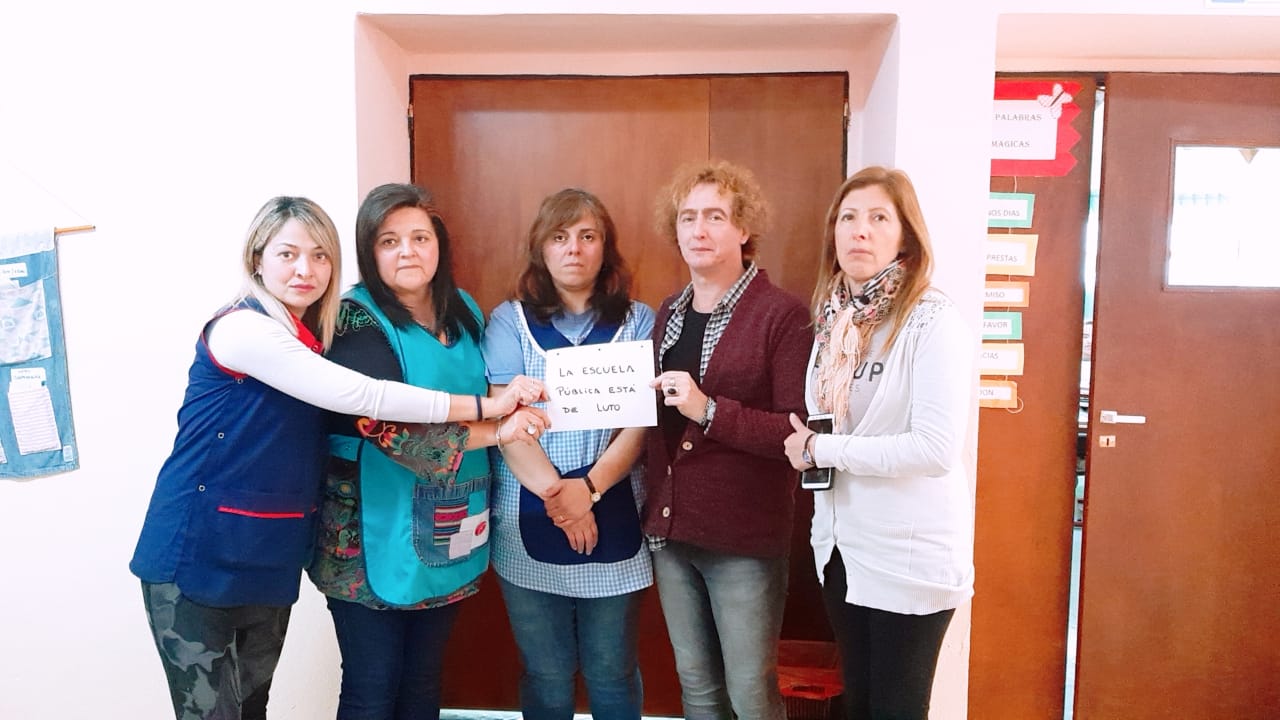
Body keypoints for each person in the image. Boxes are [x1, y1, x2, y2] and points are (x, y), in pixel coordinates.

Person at [129, 195, 547, 720]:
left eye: (320, 255)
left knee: (258, 705)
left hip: (273, 545)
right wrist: (492, 414)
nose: (305, 270)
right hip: (204, 546)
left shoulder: (320, 329)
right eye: (288, 254)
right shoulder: (247, 329)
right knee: (226, 711)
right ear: (257, 258)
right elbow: (367, 401)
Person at [306, 183, 550, 720]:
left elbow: (488, 390)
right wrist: (500, 427)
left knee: (423, 682)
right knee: (372, 688)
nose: (407, 252)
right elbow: (390, 432)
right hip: (370, 534)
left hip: (454, 522)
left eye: (420, 237)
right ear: (369, 251)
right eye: (389, 241)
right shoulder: (352, 320)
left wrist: (516, 410)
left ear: (439, 244)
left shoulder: (463, 310)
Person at [782, 166, 975, 720]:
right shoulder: (834, 322)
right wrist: (813, 450)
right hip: (841, 549)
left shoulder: (931, 321)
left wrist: (821, 452)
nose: (859, 230)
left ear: (905, 236)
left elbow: (934, 449)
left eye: (878, 218)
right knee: (859, 704)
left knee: (896, 709)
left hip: (907, 557)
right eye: (847, 217)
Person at [643, 161, 812, 720]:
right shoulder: (668, 312)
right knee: (696, 688)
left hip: (744, 541)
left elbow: (795, 431)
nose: (699, 230)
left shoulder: (783, 315)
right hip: (672, 533)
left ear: (743, 228)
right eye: (687, 217)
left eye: (715, 216)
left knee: (750, 694)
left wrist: (706, 410)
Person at [481, 188, 654, 720]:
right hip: (530, 514)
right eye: (559, 237)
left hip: (615, 509)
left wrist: (590, 490)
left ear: (606, 248)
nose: (573, 249)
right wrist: (563, 502)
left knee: (612, 671)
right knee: (546, 674)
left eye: (587, 236)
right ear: (541, 248)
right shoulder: (508, 321)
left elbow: (638, 425)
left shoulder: (640, 321)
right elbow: (509, 423)